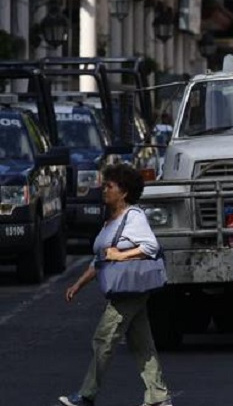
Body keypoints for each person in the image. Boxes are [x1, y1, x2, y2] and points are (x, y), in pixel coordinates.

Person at [58, 163, 173, 406]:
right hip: (124, 289)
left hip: (129, 291)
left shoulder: (134, 216)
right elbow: (100, 258)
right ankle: (159, 397)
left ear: (124, 192)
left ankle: (87, 395)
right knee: (142, 343)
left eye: (110, 186)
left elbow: (151, 247)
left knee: (103, 339)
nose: (104, 190)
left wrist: (120, 256)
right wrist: (78, 284)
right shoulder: (111, 221)